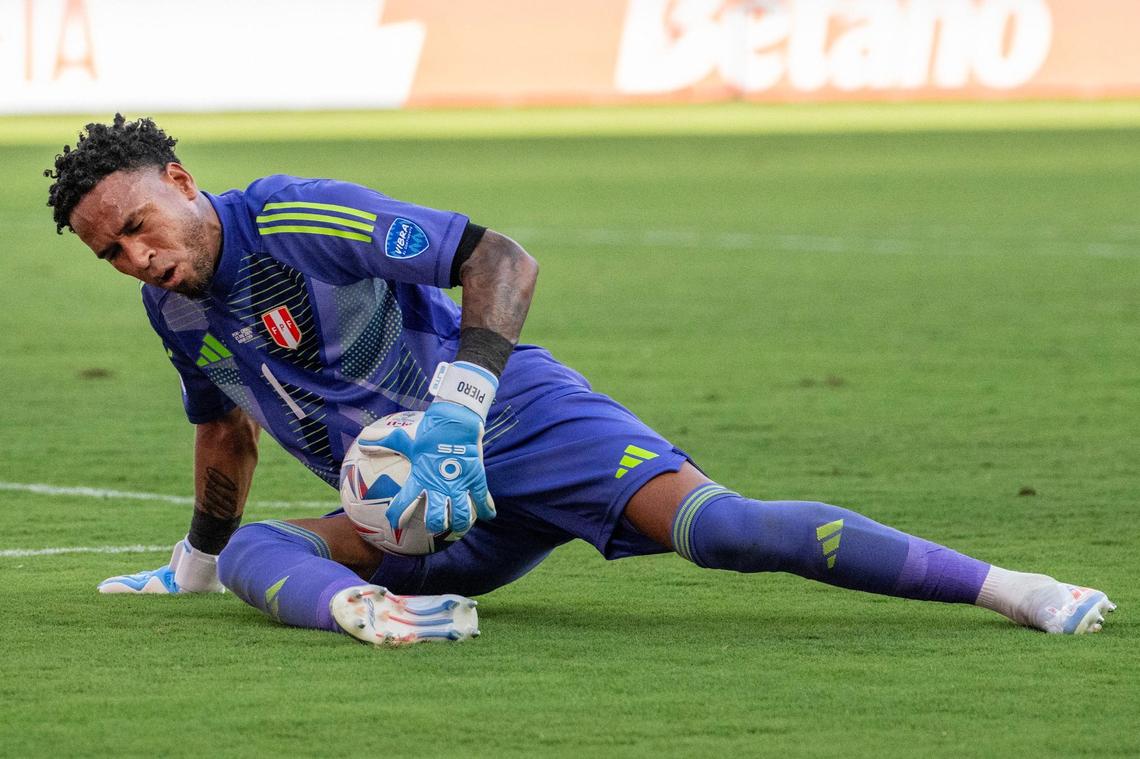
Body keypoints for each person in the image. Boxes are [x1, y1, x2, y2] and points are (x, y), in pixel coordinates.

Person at [45, 115, 1114, 646]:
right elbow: (226, 430)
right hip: (413, 510)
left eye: (137, 227)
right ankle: (379, 617)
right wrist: (192, 562)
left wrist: (460, 410)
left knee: (724, 532)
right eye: (110, 254)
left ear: (181, 182)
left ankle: (1013, 590)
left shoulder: (297, 214)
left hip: (516, 421)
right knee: (259, 556)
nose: (134, 257)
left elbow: (499, 258)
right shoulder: (174, 308)